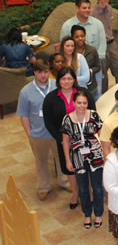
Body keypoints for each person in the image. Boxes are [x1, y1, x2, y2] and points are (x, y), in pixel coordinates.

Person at [43, 67, 96, 209]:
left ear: (74, 79)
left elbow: (93, 114)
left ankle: (89, 193)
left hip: (84, 140)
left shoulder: (84, 94)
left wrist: (88, 134)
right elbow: (48, 122)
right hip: (64, 141)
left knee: (86, 165)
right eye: (63, 78)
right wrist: (60, 138)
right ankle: (75, 193)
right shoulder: (51, 98)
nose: (66, 82)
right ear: (58, 80)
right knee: (69, 168)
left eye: (69, 78)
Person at [17, 59, 70, 200]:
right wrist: (30, 134)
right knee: (41, 161)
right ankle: (43, 187)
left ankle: (64, 181)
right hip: (38, 134)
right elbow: (24, 116)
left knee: (61, 158)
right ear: (35, 72)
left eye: (46, 72)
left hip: (57, 132)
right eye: (40, 72)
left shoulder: (56, 86)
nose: (43, 75)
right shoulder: (26, 92)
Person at [62, 90, 104, 229]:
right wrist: (68, 160)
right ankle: (87, 214)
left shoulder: (93, 115)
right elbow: (65, 141)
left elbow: (102, 134)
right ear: (74, 103)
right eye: (79, 102)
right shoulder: (67, 119)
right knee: (84, 189)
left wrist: (105, 153)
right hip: (78, 157)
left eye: (84, 103)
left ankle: (98, 214)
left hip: (95, 156)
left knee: (97, 188)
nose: (81, 105)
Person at [60, 0, 107, 95]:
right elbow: (63, 47)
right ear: (77, 8)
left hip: (94, 65)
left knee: (96, 93)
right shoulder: (67, 26)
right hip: (74, 67)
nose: (87, 10)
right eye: (84, 8)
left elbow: (102, 44)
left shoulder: (97, 24)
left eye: (89, 8)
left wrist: (92, 62)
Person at [91, 0, 118, 92]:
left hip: (111, 43)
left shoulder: (110, 9)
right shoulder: (93, 13)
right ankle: (104, 97)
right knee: (103, 73)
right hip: (101, 46)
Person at [71, 25, 101, 98]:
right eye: (77, 37)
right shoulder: (70, 52)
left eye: (82, 36)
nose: (80, 39)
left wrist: (89, 71)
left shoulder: (92, 50)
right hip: (73, 87)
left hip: (91, 86)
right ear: (72, 38)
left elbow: (98, 66)